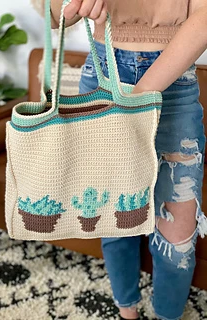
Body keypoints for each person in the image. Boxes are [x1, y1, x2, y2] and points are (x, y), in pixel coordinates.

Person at [49, 1, 207, 319]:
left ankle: (168, 315)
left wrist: (138, 99)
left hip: (173, 78)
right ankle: (126, 312)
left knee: (177, 237)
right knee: (114, 215)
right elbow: (56, 16)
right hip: (102, 72)